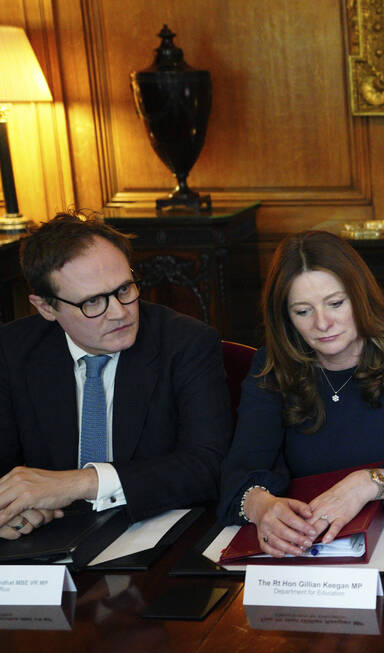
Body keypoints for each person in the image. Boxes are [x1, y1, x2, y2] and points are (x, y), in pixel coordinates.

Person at [219, 231, 384, 557]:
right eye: (303, 311)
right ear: (286, 319)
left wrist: (368, 483)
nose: (323, 323)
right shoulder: (273, 367)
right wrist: (260, 506)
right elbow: (238, 471)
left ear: (360, 297)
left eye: (335, 303)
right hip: (303, 551)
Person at [0, 213, 230, 539]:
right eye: (93, 301)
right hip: (46, 540)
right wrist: (9, 512)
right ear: (46, 308)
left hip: (153, 536)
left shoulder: (186, 343)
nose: (120, 312)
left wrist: (81, 482)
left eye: (124, 289)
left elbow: (209, 466)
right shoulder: (11, 351)